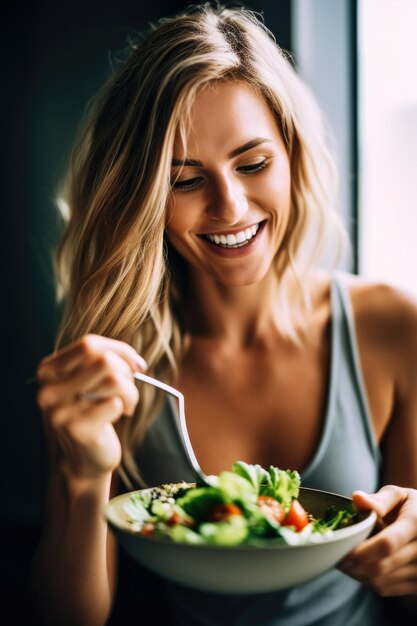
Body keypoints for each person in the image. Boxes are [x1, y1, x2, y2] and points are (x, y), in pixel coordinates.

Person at [31, 3, 417, 625]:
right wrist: (82, 474)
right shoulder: (111, 365)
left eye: (254, 163)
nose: (230, 207)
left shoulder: (393, 328)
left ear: (292, 158)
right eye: (185, 180)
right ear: (145, 197)